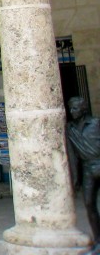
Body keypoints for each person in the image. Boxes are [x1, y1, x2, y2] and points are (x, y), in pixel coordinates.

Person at [67, 96, 100, 249]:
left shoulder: (96, 123)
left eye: (75, 108)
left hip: (98, 162)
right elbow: (72, 156)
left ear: (84, 109)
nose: (72, 111)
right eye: (71, 108)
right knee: (89, 203)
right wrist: (75, 178)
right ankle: (98, 241)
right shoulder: (70, 129)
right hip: (87, 169)